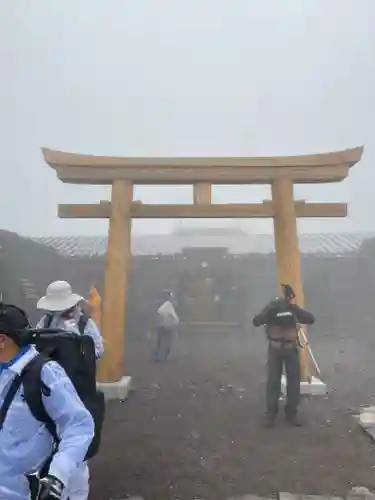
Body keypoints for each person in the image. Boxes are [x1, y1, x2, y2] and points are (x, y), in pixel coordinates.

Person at [0, 302, 94, 500]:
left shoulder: (45, 373)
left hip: (26, 492)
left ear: (2, 339)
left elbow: (78, 425)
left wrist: (56, 478)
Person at [36, 281, 105, 500]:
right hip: (49, 388)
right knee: (49, 436)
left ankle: (74, 492)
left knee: (77, 439)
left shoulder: (85, 323)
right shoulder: (45, 321)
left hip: (79, 390)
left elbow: (98, 350)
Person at [253, 284, 315, 428]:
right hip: (281, 349)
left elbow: (310, 319)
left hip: (283, 348)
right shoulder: (275, 307)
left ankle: (281, 414)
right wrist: (270, 313)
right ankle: (278, 414)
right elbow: (256, 321)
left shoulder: (291, 309)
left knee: (284, 382)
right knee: (280, 382)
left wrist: (294, 309)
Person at [154, 290, 179, 362]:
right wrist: (175, 323)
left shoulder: (164, 305)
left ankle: (160, 356)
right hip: (166, 327)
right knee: (166, 341)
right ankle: (163, 356)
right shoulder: (168, 305)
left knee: (161, 341)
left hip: (162, 326)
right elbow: (174, 318)